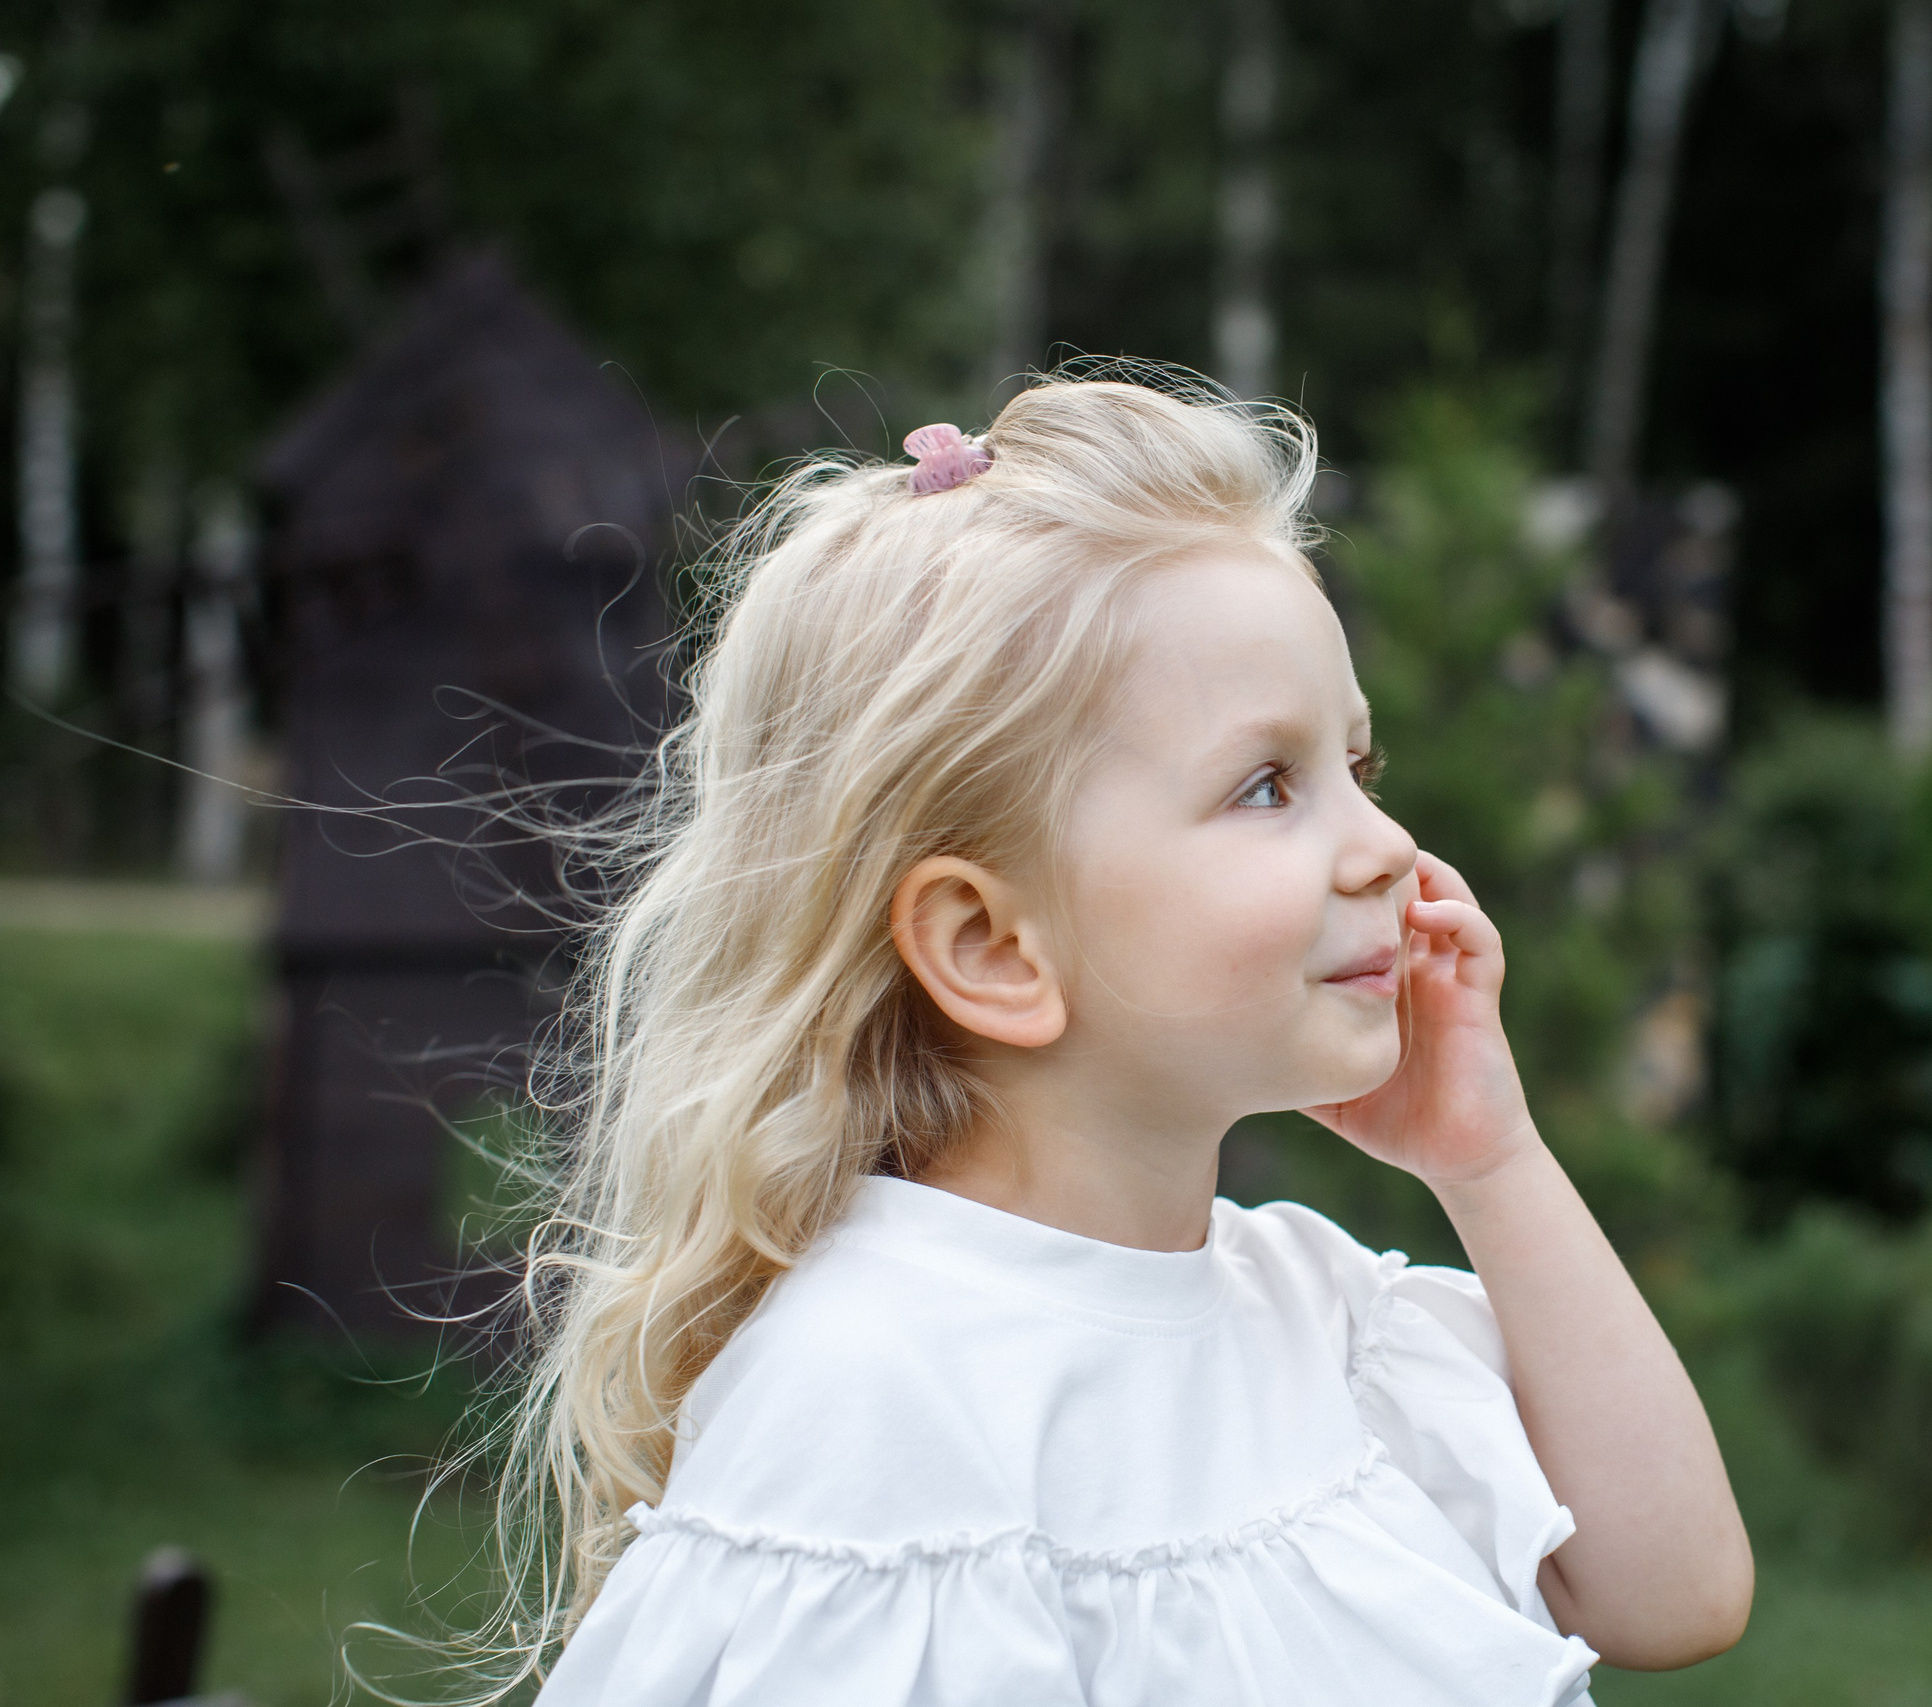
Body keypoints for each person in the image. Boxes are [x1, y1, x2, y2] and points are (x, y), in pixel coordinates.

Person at [507, 374, 1751, 1705]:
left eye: (1359, 768)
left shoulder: (1309, 1310)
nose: (1387, 847)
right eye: (1267, 785)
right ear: (993, 946)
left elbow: (1672, 1595)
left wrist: (1489, 1164)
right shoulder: (876, 1400)